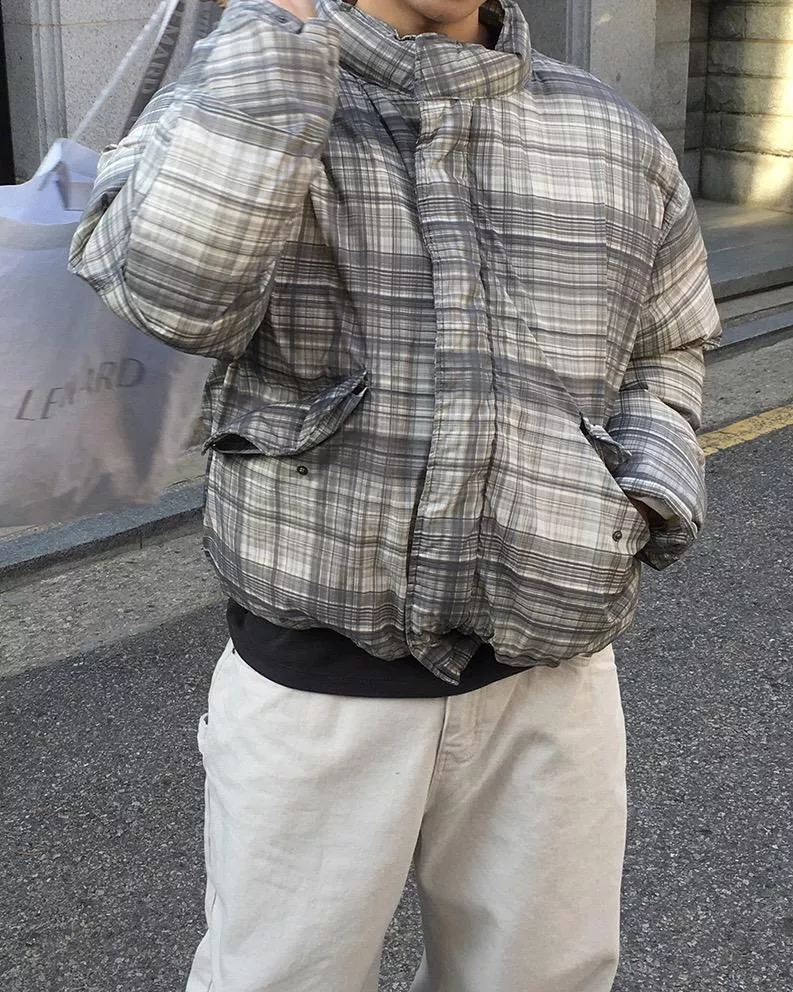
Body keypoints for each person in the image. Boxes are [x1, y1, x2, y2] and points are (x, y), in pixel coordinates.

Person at [69, 0, 721, 988]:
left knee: (545, 976)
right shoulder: (249, 85)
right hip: (316, 683)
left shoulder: (606, 129)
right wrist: (279, 42)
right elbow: (173, 292)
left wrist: (635, 496)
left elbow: (667, 341)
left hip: (552, 669)